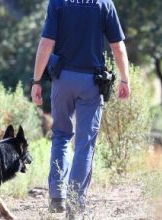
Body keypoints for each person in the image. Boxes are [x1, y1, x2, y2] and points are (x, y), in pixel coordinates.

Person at [30, 0, 130, 217]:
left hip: (62, 79)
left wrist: (36, 81)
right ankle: (75, 205)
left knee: (61, 136)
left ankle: (57, 196)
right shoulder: (104, 4)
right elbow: (117, 46)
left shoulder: (58, 2)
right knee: (84, 144)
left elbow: (46, 43)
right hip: (91, 83)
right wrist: (125, 80)